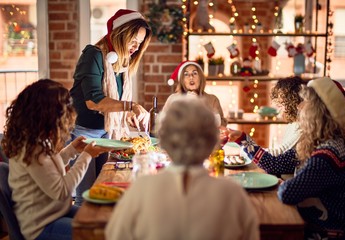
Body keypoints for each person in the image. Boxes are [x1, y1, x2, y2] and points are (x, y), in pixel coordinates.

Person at [105, 96, 259, 240]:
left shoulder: (140, 190)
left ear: (163, 141)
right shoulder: (233, 194)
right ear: (212, 141)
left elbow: (115, 235)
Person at [1, 79, 111, 240]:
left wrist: (73, 150)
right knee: (100, 234)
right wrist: (87, 155)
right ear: (47, 114)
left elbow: (48, 169)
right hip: (41, 226)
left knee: (106, 222)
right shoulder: (31, 151)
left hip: (57, 212)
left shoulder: (36, 139)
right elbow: (62, 191)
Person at [69, 9, 152, 205]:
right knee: (86, 194)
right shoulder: (93, 55)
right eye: (133, 40)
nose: (135, 47)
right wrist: (130, 106)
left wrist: (127, 114)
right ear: (120, 33)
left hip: (106, 132)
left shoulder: (121, 64)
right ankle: (82, 232)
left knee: (103, 187)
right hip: (82, 132)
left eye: (139, 43)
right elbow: (93, 101)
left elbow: (116, 103)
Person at [277, 77, 345, 239]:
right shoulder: (338, 142)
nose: (300, 106)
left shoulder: (326, 156)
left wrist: (284, 183)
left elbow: (287, 193)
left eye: (305, 102)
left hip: (321, 233)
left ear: (317, 111)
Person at [223, 76, 306, 176]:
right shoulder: (293, 123)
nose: (278, 112)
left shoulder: (302, 128)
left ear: (293, 103)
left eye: (280, 106)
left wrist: (240, 148)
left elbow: (275, 158)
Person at [164, 61, 227, 127]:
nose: (191, 77)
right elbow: (164, 124)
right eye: (186, 74)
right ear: (182, 80)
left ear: (200, 78)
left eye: (195, 73)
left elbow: (222, 124)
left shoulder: (212, 99)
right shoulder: (173, 99)